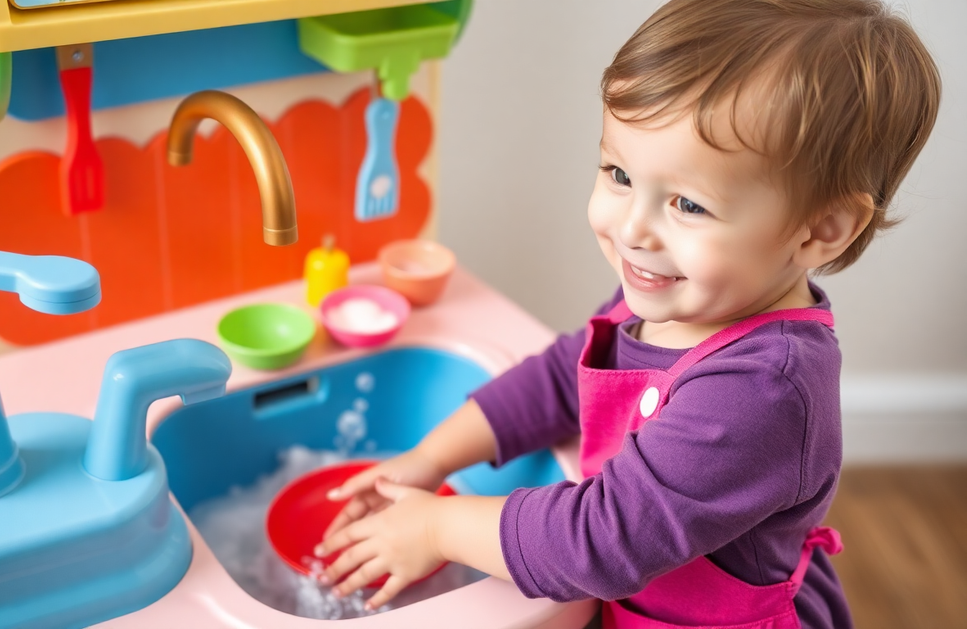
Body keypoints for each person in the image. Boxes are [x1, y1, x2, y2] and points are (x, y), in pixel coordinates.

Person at [312, 0, 942, 626]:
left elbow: (600, 539)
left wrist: (437, 527)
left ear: (820, 230)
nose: (633, 229)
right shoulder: (681, 295)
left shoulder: (762, 388)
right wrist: (432, 458)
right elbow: (564, 375)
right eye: (618, 172)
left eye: (689, 206)